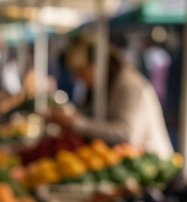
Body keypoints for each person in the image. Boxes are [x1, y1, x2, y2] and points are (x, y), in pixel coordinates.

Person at [46, 38, 174, 159]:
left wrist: (75, 123)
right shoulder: (105, 85)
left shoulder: (128, 85)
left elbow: (126, 134)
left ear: (97, 65)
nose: (77, 77)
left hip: (151, 165)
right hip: (128, 163)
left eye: (81, 71)